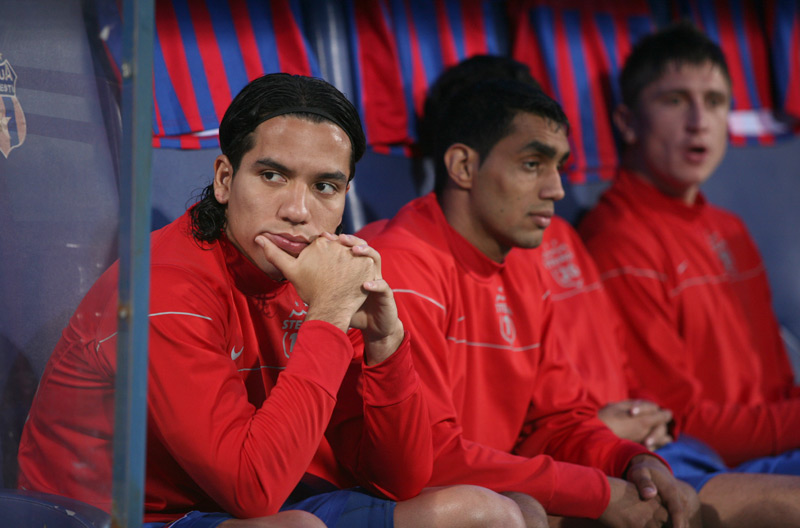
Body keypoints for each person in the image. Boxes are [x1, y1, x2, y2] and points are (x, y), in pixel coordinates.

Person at [17, 73, 540, 528]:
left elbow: (399, 479)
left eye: (325, 186)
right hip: (113, 517)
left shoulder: (311, 270)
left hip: (237, 507)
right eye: (272, 176)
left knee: (503, 513)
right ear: (225, 180)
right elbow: (252, 489)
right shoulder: (167, 286)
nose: (297, 210)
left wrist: (386, 345)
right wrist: (328, 318)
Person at [363, 75, 700, 527]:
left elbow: (559, 420)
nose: (556, 189)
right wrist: (598, 492)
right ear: (463, 166)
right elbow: (427, 460)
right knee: (522, 514)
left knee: (681, 503)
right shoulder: (402, 267)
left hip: (487, 490)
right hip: (374, 497)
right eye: (532, 164)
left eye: (559, 166)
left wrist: (629, 460)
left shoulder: (523, 266)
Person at [578, 23, 800, 526]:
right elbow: (679, 424)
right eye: (676, 100)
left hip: (772, 452)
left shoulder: (730, 229)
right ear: (627, 121)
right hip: (703, 467)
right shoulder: (618, 238)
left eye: (715, 101)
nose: (699, 121)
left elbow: (780, 389)